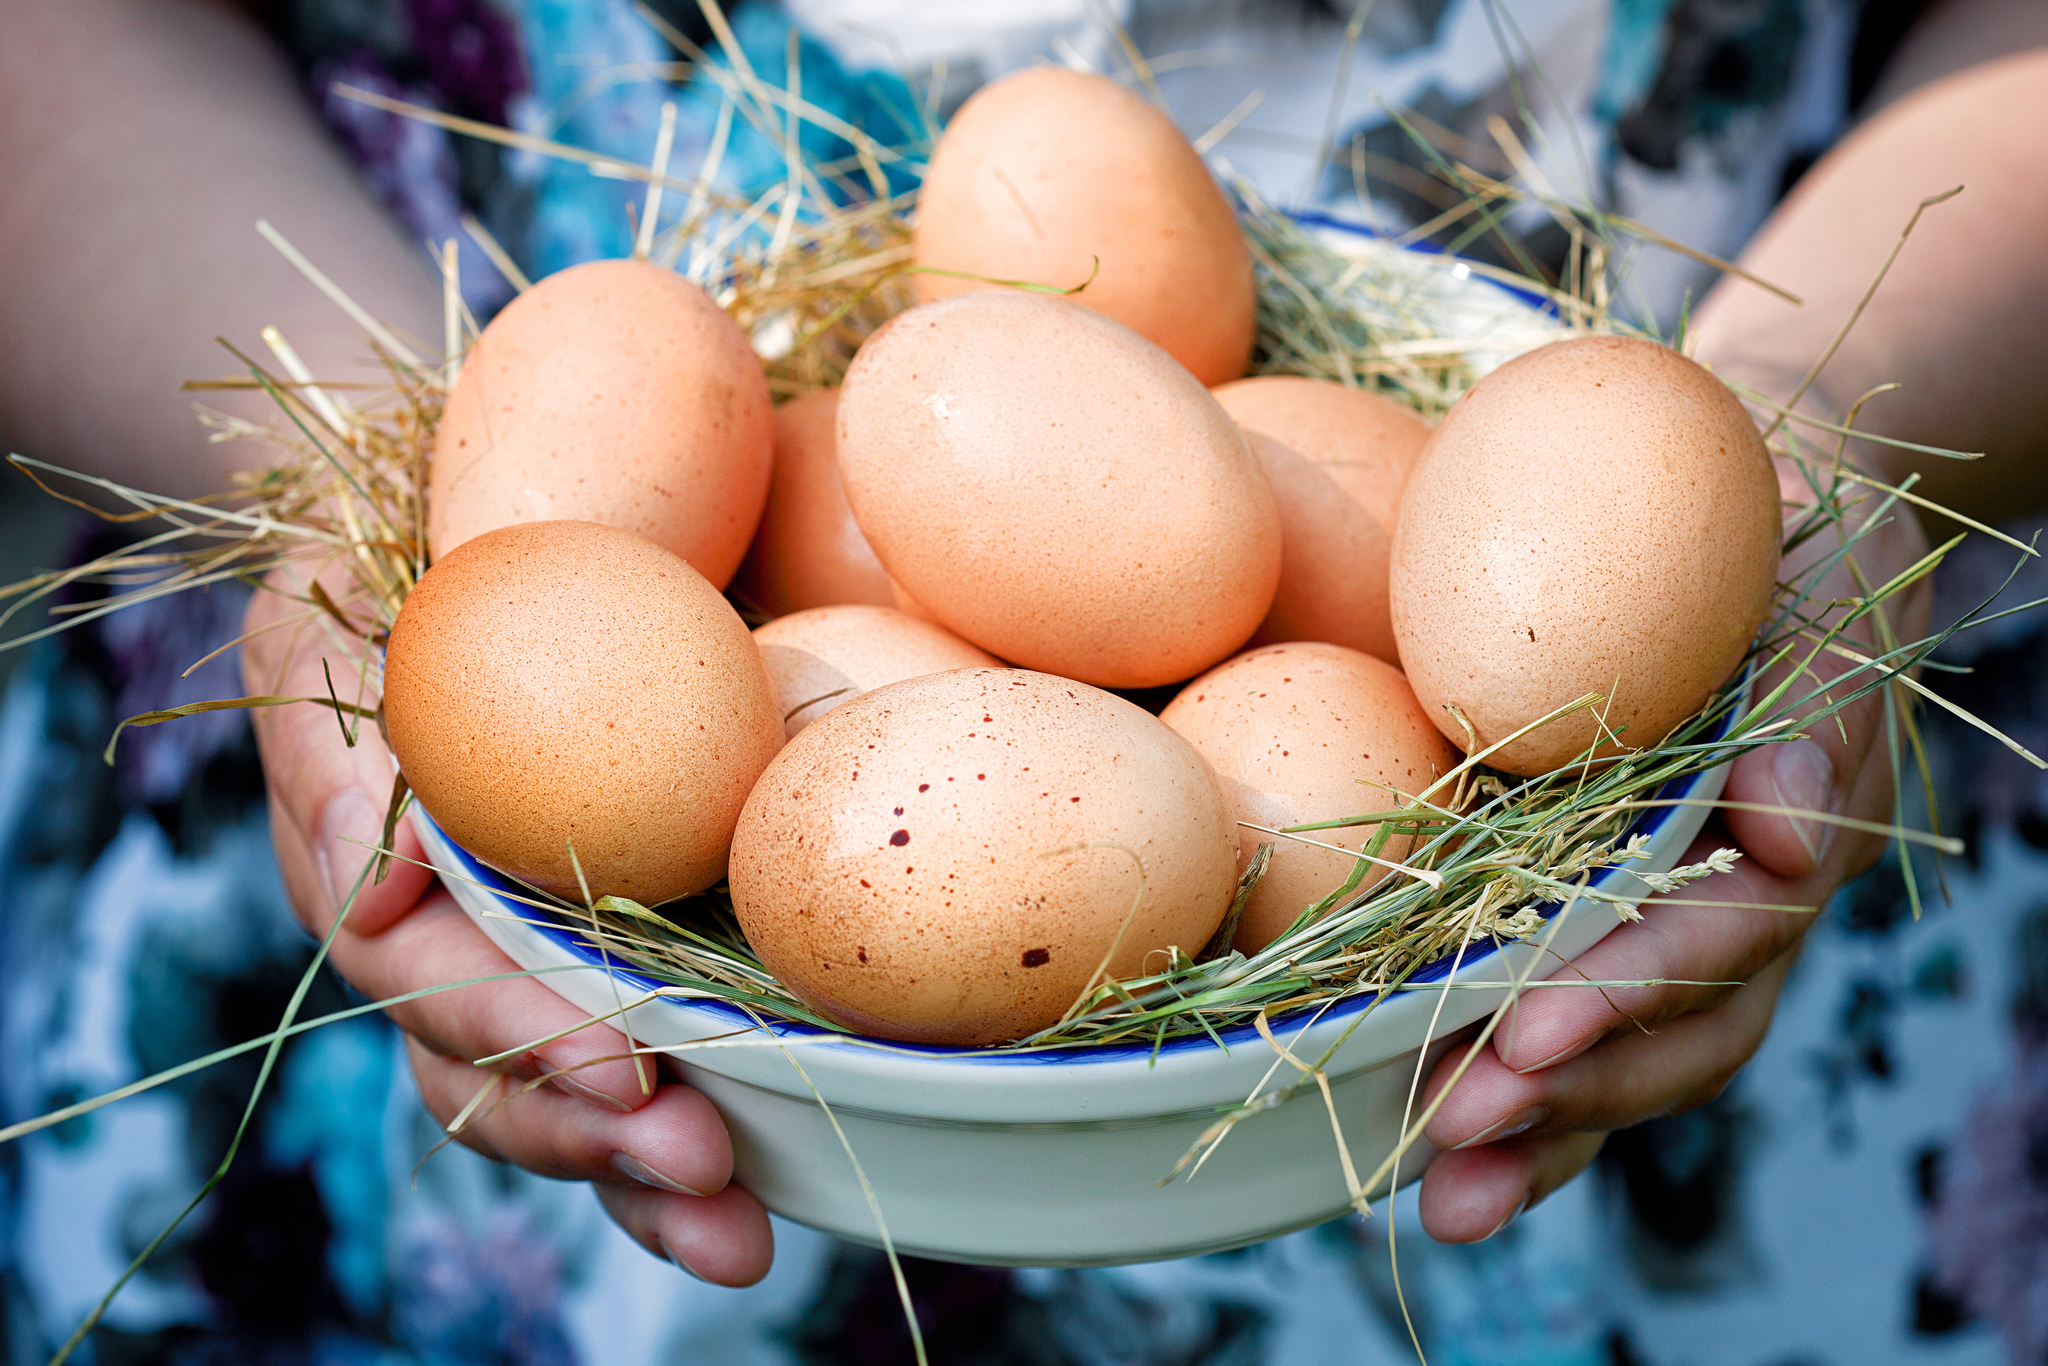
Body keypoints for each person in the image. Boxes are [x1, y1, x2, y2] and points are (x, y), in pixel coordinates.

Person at [1, 0, 2044, 1358]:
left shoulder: (1352, 562)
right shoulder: (678, 589)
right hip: (437, 1008)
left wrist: (1808, 422)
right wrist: (368, 483)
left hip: (1695, 996)